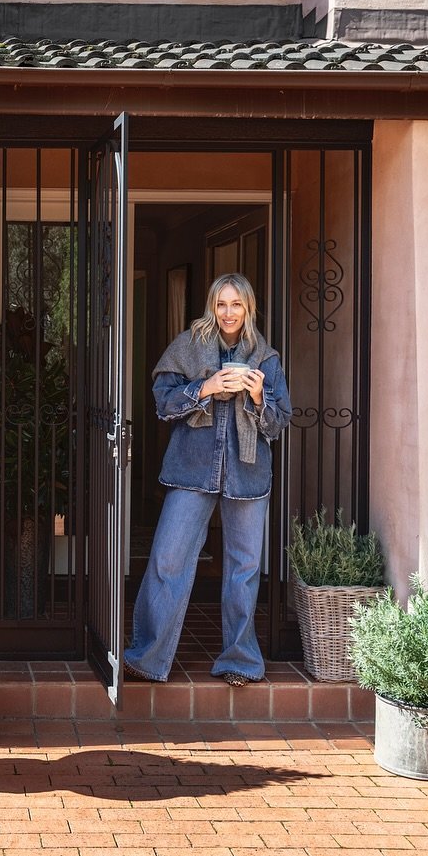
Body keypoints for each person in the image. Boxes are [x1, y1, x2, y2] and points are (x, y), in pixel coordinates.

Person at [123, 272, 292, 688]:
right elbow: (163, 403)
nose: (228, 313)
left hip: (248, 477)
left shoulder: (266, 358)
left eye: (236, 305)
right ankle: (146, 657)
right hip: (191, 470)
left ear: (248, 308)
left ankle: (241, 661)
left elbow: (278, 423)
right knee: (167, 559)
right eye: (221, 304)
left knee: (244, 569)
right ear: (211, 307)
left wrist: (258, 396)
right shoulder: (188, 345)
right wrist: (206, 387)